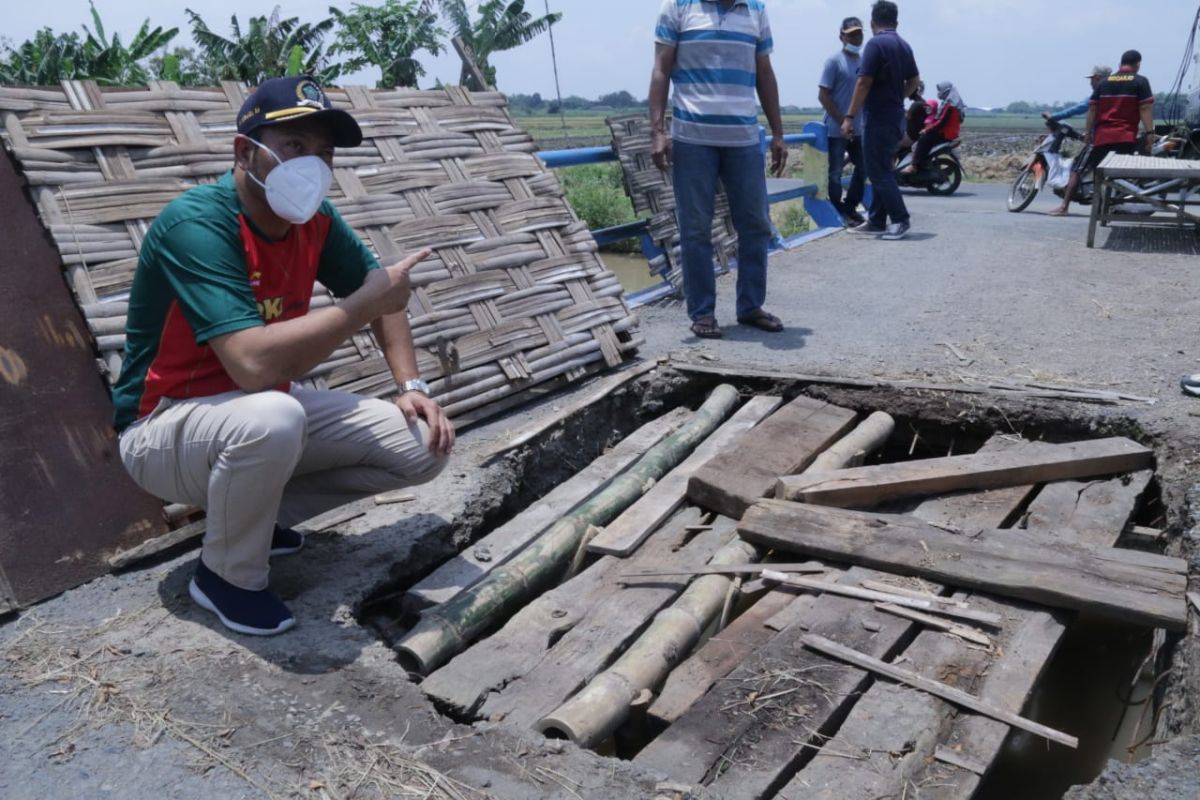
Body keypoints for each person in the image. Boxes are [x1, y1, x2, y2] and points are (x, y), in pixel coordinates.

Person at [113, 76, 455, 636]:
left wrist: (412, 386)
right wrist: (365, 303)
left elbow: (386, 293)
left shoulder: (315, 221)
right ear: (246, 152)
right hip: (163, 426)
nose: (313, 165)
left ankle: (253, 520)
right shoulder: (197, 223)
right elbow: (255, 365)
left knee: (422, 446)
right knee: (275, 416)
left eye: (325, 153)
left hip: (249, 411)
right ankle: (226, 576)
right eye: (295, 146)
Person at [650, 0, 788, 340]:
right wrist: (657, 131)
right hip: (692, 137)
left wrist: (778, 133)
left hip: (742, 137)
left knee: (755, 223)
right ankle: (702, 313)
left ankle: (750, 306)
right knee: (696, 228)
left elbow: (765, 72)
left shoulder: (755, 10)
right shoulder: (678, 8)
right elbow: (661, 69)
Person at [842, 1, 921, 241]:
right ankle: (876, 220)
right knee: (882, 168)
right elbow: (914, 80)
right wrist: (899, 97)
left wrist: (849, 116)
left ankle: (900, 219)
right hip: (896, 117)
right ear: (896, 22)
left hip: (878, 118)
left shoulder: (876, 44)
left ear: (872, 22)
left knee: (878, 172)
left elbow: (863, 82)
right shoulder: (903, 45)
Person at [1051, 50, 1154, 216]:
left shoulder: (1104, 83)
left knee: (1079, 170)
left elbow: (1092, 109)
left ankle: (1064, 207)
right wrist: (1150, 133)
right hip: (1126, 137)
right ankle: (1110, 206)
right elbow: (1145, 108)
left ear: (1121, 64)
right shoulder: (1140, 81)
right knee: (1119, 174)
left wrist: (1087, 133)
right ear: (1138, 64)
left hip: (1101, 137)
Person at [818, 16, 867, 226]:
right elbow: (823, 96)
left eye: (859, 33)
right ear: (841, 36)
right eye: (851, 34)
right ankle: (838, 210)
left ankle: (850, 206)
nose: (856, 38)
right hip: (835, 129)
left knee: (864, 167)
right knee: (835, 172)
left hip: (859, 129)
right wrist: (842, 121)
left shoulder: (865, 61)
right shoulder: (833, 62)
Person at [903, 81, 964, 175]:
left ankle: (914, 166)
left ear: (946, 91)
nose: (938, 93)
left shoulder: (950, 105)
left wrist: (926, 129)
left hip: (946, 133)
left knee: (923, 139)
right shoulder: (951, 103)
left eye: (940, 90)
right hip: (948, 132)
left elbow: (941, 122)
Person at [1043, 65, 1111, 123]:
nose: (1091, 83)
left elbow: (1077, 108)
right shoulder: (1115, 93)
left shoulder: (1098, 96)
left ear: (1098, 78)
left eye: (1092, 79)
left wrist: (1053, 117)